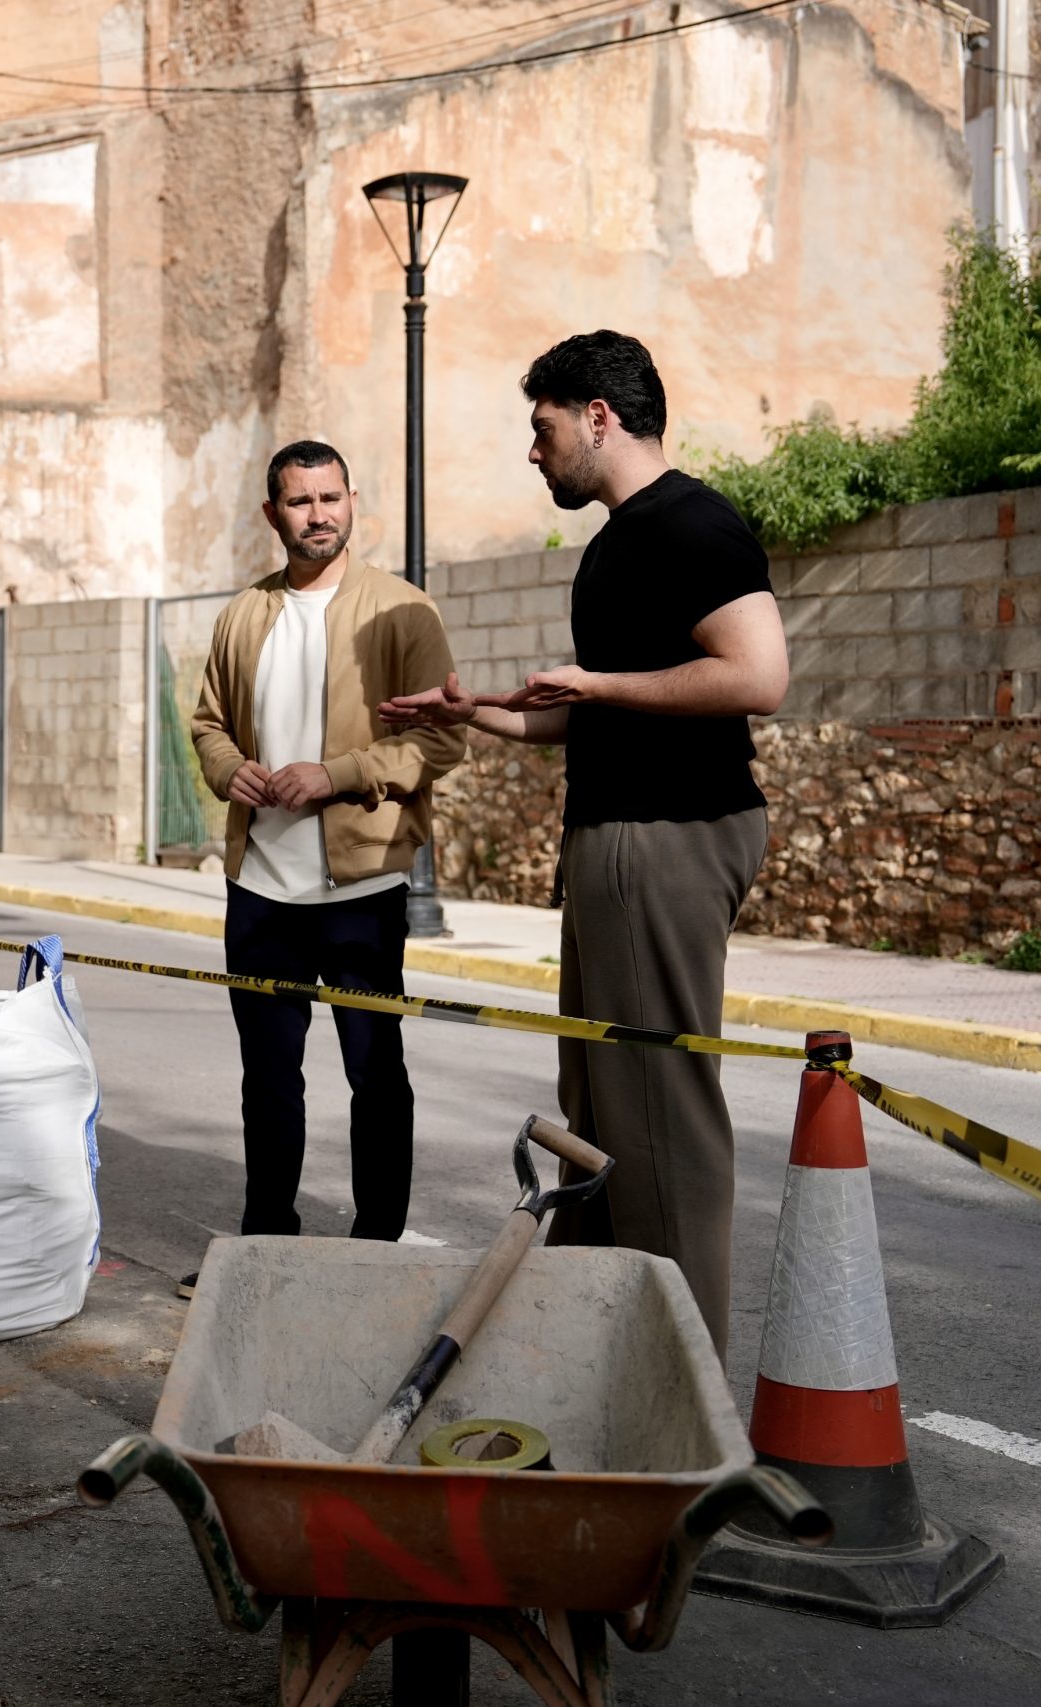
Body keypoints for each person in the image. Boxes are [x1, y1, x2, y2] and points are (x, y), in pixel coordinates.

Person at [378, 330, 788, 1360]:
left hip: (666, 838)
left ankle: (680, 1379)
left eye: (543, 426)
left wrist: (597, 684)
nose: (535, 449)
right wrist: (474, 710)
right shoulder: (617, 541)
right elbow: (590, 712)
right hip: (617, 840)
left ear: (598, 417)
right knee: (597, 1113)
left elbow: (757, 675)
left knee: (658, 1119)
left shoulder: (691, 522)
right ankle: (596, 1355)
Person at [183, 440, 465, 1297]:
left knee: (375, 1073)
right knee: (268, 1078)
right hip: (260, 888)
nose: (318, 515)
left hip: (362, 888)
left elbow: (440, 739)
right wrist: (229, 768)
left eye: (331, 497)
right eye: (301, 501)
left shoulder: (402, 610)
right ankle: (267, 1242)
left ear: (352, 500)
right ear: (273, 513)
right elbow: (208, 722)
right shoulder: (244, 614)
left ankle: (376, 1246)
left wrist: (335, 774)